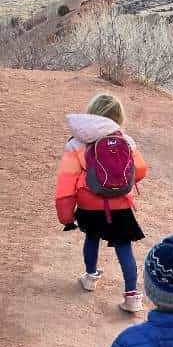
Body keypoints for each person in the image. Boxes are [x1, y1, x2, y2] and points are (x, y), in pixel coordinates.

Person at [55, 92, 148, 313]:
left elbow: (66, 182)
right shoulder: (125, 140)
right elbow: (141, 170)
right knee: (124, 247)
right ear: (119, 116)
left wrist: (66, 216)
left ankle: (90, 276)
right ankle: (132, 297)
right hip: (120, 205)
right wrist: (117, 180)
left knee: (92, 237)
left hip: (89, 204)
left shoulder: (77, 142)